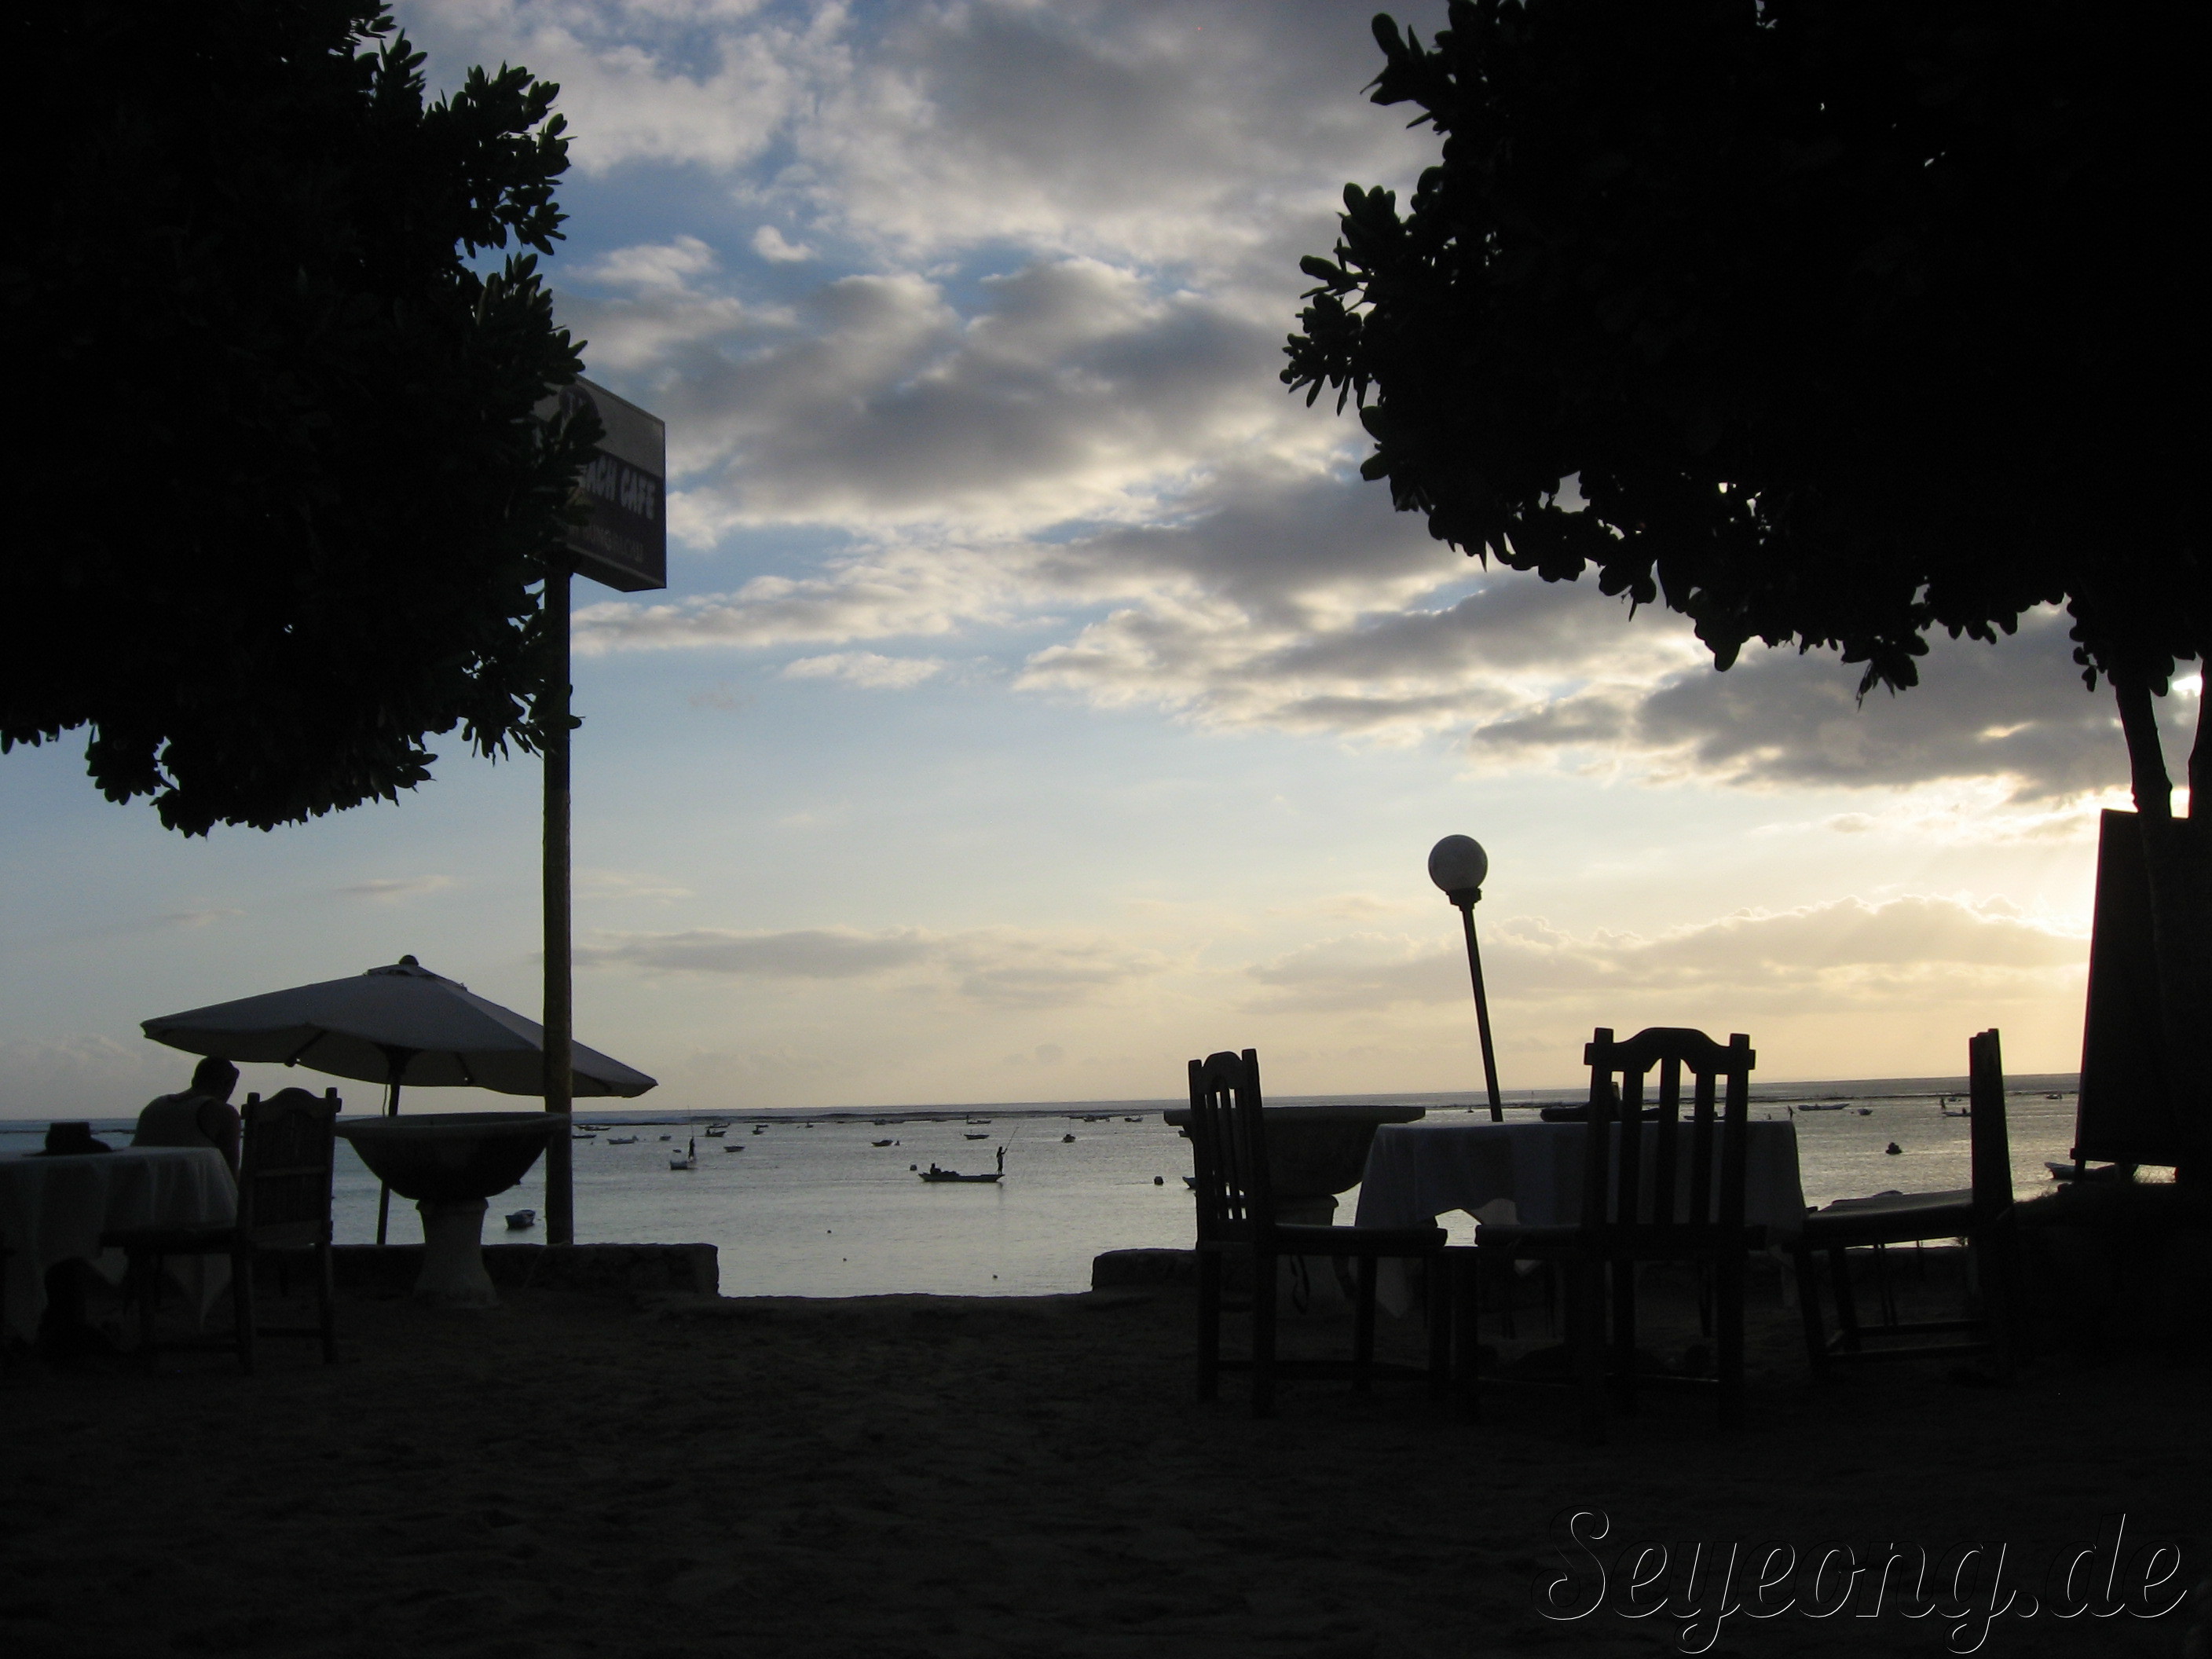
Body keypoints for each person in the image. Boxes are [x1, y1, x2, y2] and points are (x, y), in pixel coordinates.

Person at [132, 1056, 242, 1172]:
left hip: (145, 1181)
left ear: (194, 1080)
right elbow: (229, 1172)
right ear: (228, 1085)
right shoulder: (222, 1113)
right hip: (191, 1182)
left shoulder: (155, 1106)